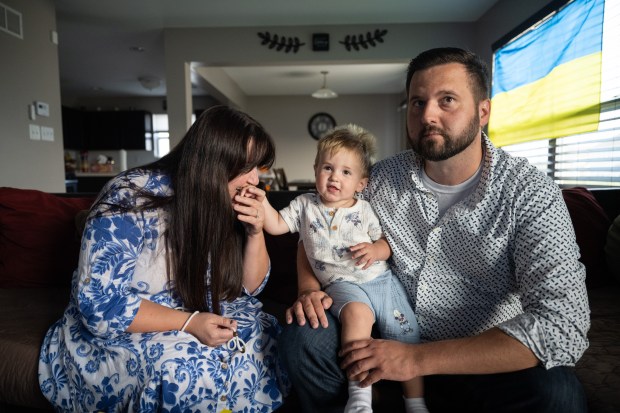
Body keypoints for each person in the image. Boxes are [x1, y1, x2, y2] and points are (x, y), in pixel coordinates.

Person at [279, 47, 590, 412]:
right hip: (384, 339)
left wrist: (416, 359)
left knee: (560, 396)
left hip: (483, 358)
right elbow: (314, 224)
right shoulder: (378, 180)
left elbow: (562, 326)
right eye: (417, 102)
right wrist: (308, 287)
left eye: (447, 100)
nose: (428, 114)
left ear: (483, 111)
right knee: (302, 338)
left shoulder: (529, 192)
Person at [38, 105, 290, 412]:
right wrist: (189, 322)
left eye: (258, 168)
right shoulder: (130, 195)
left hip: (201, 308)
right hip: (128, 325)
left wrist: (255, 232)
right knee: (191, 370)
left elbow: (249, 288)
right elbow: (100, 304)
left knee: (266, 340)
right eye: (247, 167)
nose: (255, 179)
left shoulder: (225, 199)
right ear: (213, 162)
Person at [257, 125, 427, 413]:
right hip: (341, 284)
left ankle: (415, 402)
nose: (335, 176)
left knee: (405, 334)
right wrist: (261, 200)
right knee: (356, 316)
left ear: (361, 183)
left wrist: (375, 251)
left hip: (380, 280)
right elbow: (275, 225)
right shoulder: (303, 206)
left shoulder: (364, 210)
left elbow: (385, 243)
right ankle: (360, 394)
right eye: (328, 168)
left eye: (346, 172)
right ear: (315, 170)